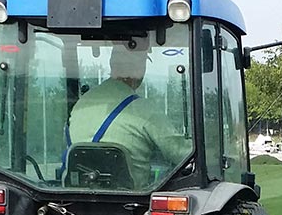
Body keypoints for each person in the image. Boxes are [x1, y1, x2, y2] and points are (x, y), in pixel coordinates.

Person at [67, 42, 190, 187]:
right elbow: (180, 153)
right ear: (139, 68)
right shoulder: (143, 109)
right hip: (133, 196)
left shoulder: (82, 103)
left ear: (112, 63)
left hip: (78, 194)